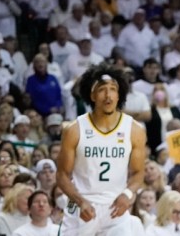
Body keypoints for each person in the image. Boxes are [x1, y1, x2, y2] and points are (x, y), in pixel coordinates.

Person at [56, 63, 147, 235]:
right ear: (92, 95)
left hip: (115, 207)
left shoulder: (134, 130)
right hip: (83, 206)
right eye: (102, 89)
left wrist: (127, 194)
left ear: (119, 95)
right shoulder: (74, 130)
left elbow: (138, 173)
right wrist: (79, 200)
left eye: (113, 89)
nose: (108, 95)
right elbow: (61, 176)